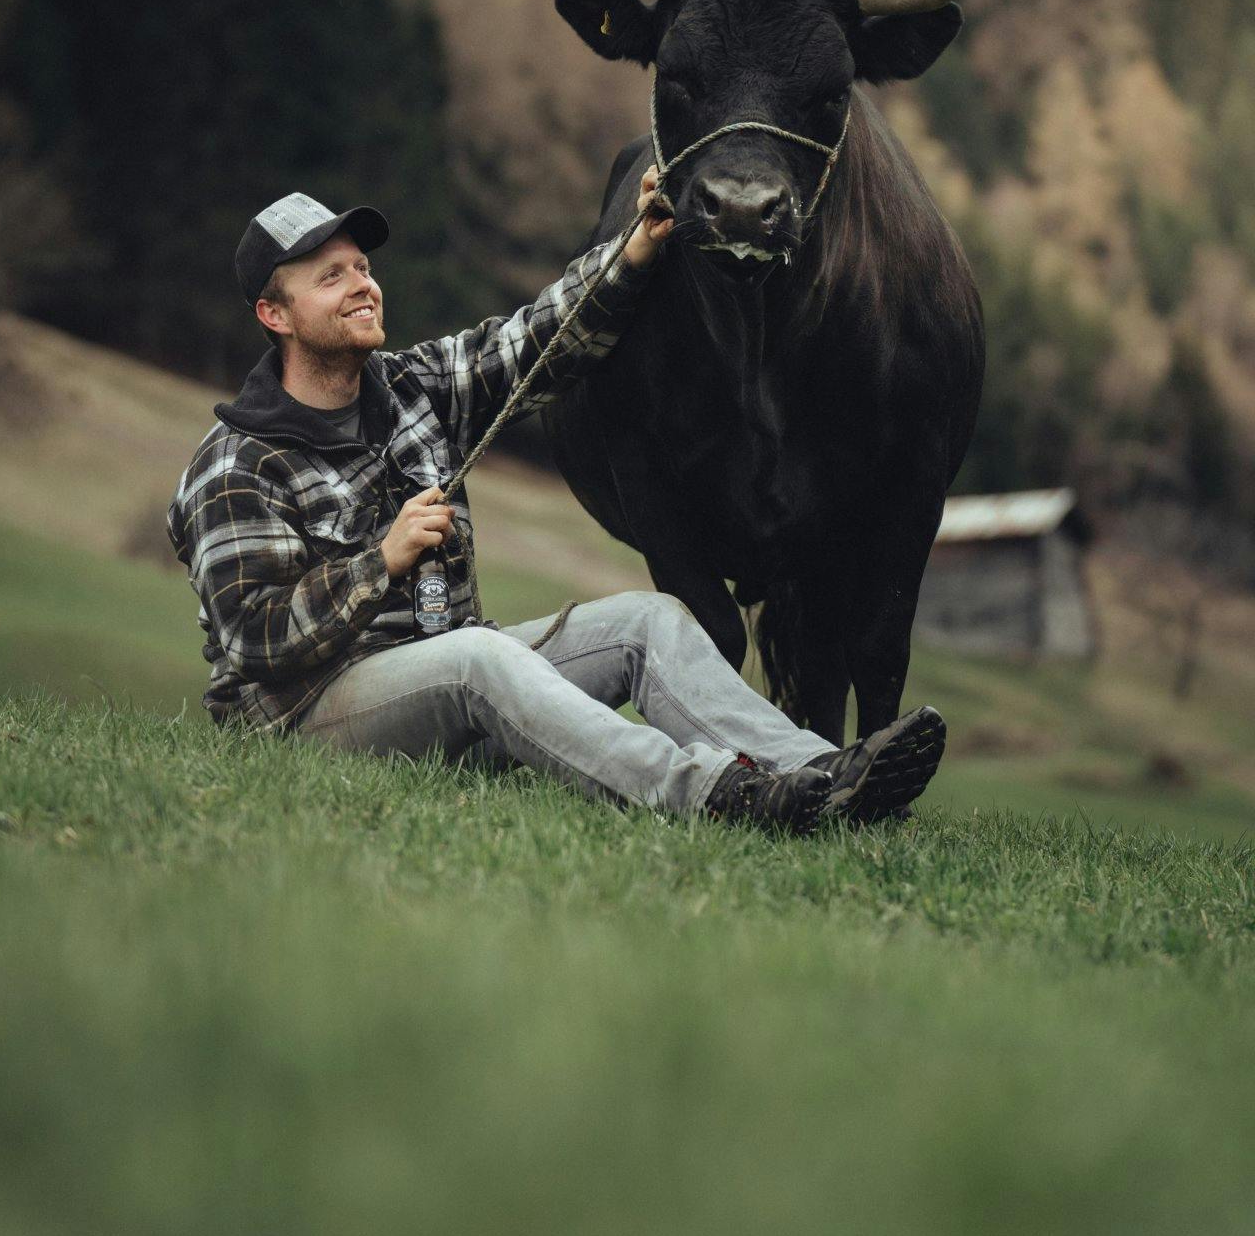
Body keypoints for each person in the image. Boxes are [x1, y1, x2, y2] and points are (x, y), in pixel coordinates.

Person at [168, 184, 946, 835]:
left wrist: (634, 249)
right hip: (308, 723)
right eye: (331, 277)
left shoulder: (411, 389)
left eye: (364, 268)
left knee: (648, 620)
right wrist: (381, 563)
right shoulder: (234, 465)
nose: (363, 285)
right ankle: (720, 794)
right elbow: (256, 639)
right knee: (479, 658)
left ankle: (827, 777)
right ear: (275, 315)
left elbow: (537, 340)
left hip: (455, 689)